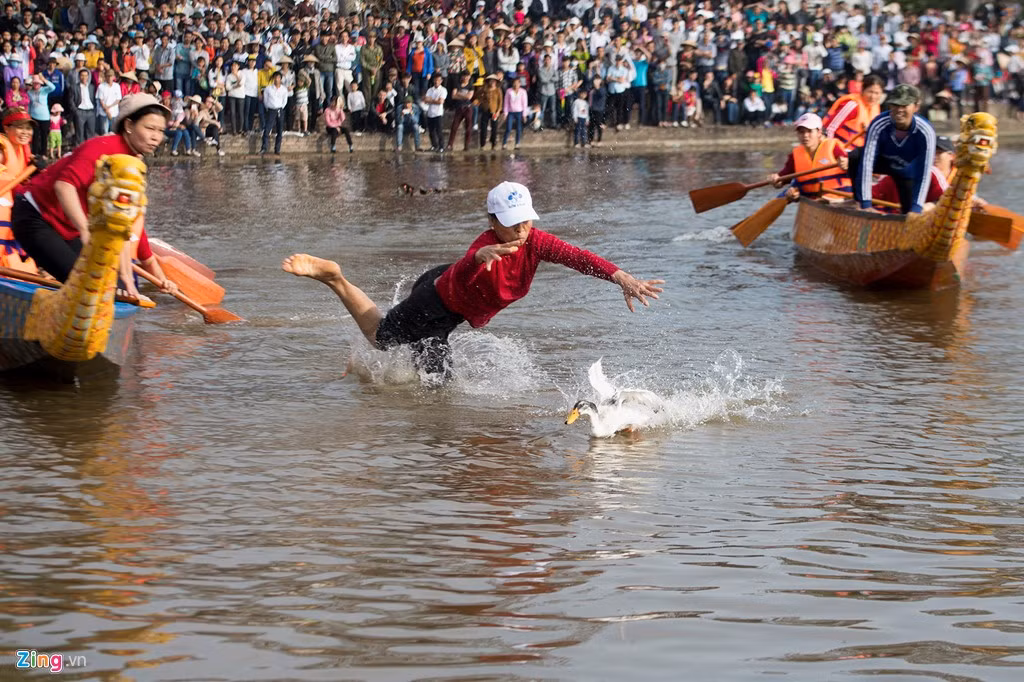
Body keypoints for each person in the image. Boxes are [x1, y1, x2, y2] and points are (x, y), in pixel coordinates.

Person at [282, 181, 664, 383]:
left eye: (526, 220)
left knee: (434, 385)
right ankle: (334, 278)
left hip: (452, 314)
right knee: (383, 341)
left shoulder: (537, 241)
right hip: (435, 299)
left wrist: (620, 276)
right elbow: (466, 269)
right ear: (493, 221)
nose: (522, 228)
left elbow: (578, 257)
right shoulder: (484, 245)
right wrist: (478, 259)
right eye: (512, 222)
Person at [11, 94, 178, 300]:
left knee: (116, 287)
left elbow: (122, 226)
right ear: (128, 126)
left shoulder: (134, 163)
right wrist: (86, 232)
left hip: (69, 229)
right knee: (89, 286)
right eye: (150, 128)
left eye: (160, 131)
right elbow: (64, 186)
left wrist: (135, 277)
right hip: (35, 217)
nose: (156, 137)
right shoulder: (102, 148)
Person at [850, 84, 936, 214]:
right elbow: (867, 164)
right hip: (883, 161)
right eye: (895, 105)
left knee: (909, 211)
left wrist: (916, 209)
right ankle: (857, 202)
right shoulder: (878, 123)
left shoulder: (926, 131)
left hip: (906, 170)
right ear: (889, 106)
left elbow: (924, 173)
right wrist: (866, 204)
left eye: (904, 105)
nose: (899, 110)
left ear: (916, 107)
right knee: (855, 156)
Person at [770, 113, 850, 202]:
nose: (805, 135)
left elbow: (849, 164)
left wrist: (846, 164)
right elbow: (782, 178)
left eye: (809, 131)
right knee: (791, 192)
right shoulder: (795, 155)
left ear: (819, 133)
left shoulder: (833, 147)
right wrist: (776, 180)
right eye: (801, 132)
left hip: (840, 199)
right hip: (813, 200)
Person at [0, 107, 36, 272]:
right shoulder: (2, 149)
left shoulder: (24, 150)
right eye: (20, 127)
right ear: (6, 128)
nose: (25, 132)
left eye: (28, 128)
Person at [823, 73, 884, 148]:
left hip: (858, 152)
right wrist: (832, 151)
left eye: (877, 93)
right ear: (863, 90)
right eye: (870, 92)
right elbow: (829, 129)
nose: (873, 96)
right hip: (841, 151)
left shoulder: (876, 107)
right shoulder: (853, 105)